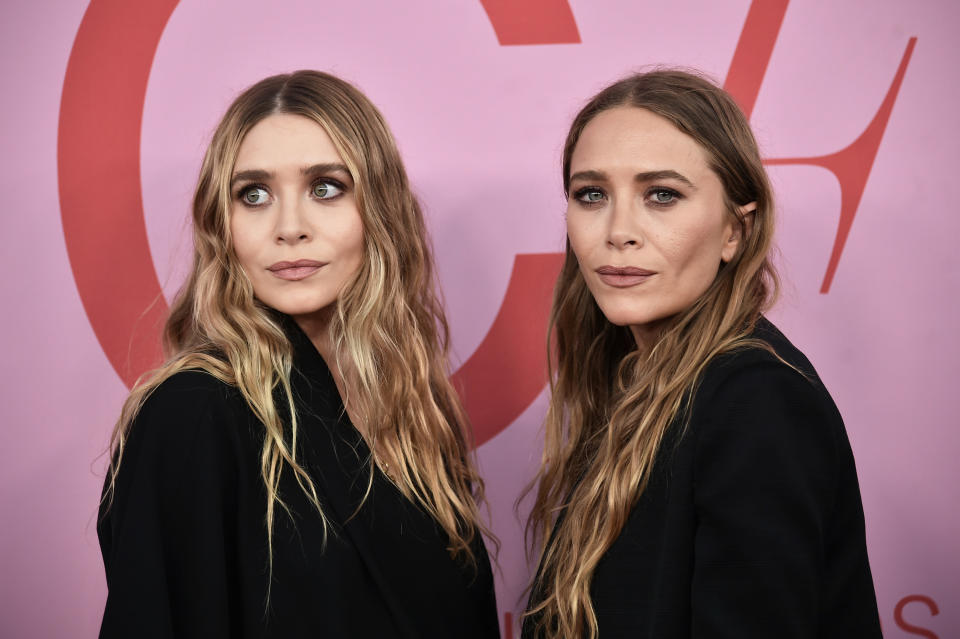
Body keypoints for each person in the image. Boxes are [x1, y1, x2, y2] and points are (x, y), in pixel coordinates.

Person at [97, 70, 499, 639]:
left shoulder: (410, 407)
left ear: (379, 209)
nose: (289, 228)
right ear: (223, 224)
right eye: (253, 195)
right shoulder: (193, 411)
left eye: (326, 187)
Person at [521, 70, 882, 639]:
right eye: (591, 194)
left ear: (736, 231)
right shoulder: (638, 384)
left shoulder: (755, 399)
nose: (618, 231)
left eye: (661, 195)